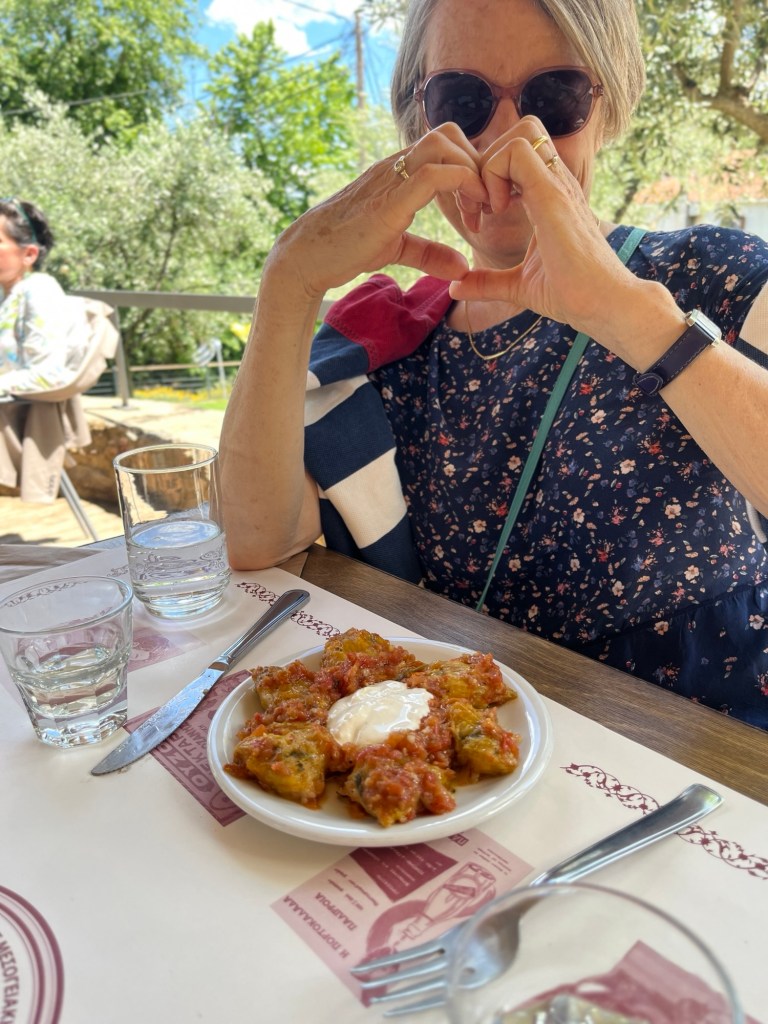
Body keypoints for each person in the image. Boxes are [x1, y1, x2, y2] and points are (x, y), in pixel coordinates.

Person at [219, 0, 768, 729]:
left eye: (555, 97)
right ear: (418, 122)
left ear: (606, 110)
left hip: (697, 761)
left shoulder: (712, 277)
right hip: (470, 758)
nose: (507, 139)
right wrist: (290, 279)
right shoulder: (387, 343)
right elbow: (256, 541)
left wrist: (625, 313)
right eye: (462, 100)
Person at [0, 198, 88, 395]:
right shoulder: (5, 294)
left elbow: (48, 375)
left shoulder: (40, 291)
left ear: (29, 254)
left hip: (20, 412)